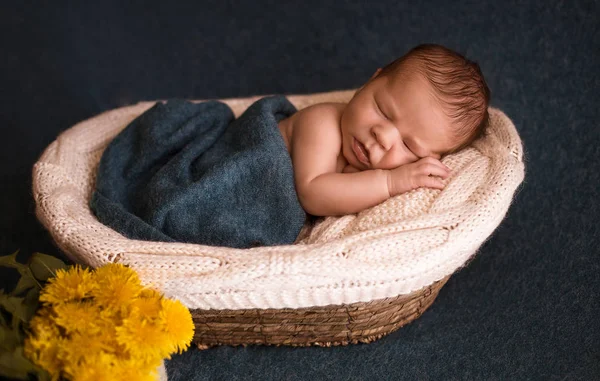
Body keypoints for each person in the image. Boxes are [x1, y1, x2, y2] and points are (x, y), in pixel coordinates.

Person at [278, 43, 491, 216]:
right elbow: (313, 193)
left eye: (408, 146)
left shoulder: (368, 165)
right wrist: (390, 182)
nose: (383, 137)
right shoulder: (321, 123)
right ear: (371, 81)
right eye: (383, 111)